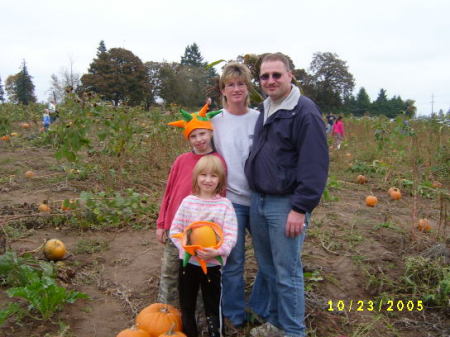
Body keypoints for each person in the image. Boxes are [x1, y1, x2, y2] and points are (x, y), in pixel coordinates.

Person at [244, 53, 329, 337]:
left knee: (287, 273)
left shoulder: (304, 112)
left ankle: (294, 332)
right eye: (265, 76)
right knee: (268, 269)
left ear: (290, 75)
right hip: (259, 200)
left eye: (276, 75)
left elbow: (314, 165)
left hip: (285, 205)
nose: (270, 81)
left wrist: (300, 208)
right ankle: (276, 324)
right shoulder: (266, 107)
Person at [209, 62, 269, 329]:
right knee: (233, 263)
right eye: (230, 84)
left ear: (248, 88)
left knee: (266, 258)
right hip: (230, 202)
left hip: (259, 198)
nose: (236, 89)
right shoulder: (214, 122)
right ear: (223, 89)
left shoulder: (260, 118)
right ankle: (233, 314)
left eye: (241, 84)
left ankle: (260, 308)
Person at [156, 104, 225, 307]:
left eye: (202, 133)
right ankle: (166, 310)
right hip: (175, 227)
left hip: (201, 233)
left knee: (198, 273)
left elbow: (222, 197)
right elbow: (169, 193)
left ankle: (199, 315)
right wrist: (161, 224)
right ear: (188, 139)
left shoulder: (217, 161)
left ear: (210, 132)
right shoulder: (181, 160)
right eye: (193, 136)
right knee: (169, 272)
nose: (199, 140)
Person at [170, 155, 238, 337]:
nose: (208, 180)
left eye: (213, 176)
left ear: (220, 180)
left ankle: (216, 333)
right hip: (188, 264)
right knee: (187, 305)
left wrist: (218, 251)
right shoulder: (188, 203)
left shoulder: (225, 206)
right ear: (196, 177)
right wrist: (185, 248)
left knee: (212, 306)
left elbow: (231, 236)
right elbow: (175, 230)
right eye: (204, 175)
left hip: (212, 266)